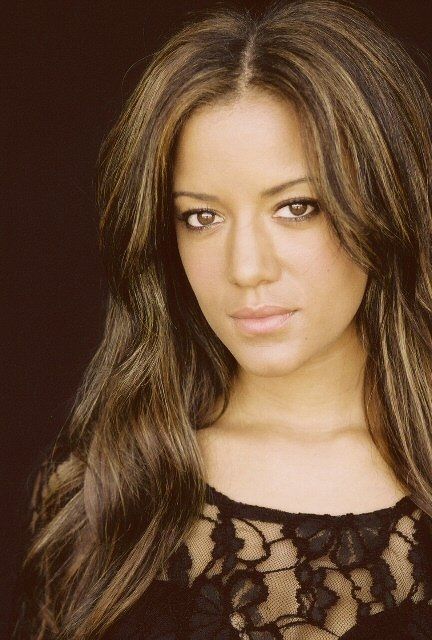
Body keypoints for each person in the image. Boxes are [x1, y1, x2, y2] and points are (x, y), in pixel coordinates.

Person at [11, 0, 432, 638]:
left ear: (385, 202)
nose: (246, 268)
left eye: (297, 207)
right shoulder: (102, 486)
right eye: (202, 217)